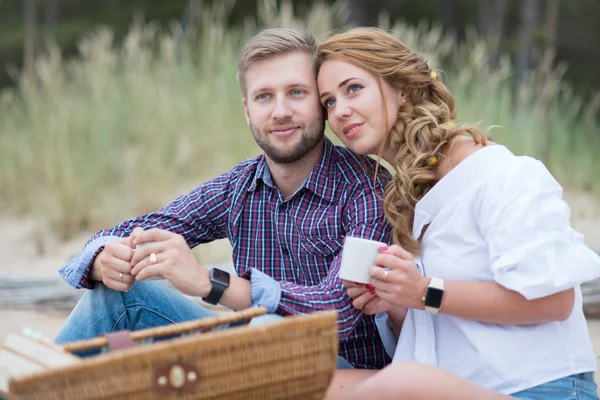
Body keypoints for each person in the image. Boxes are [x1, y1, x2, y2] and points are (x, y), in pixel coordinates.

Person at [55, 28, 393, 370]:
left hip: (339, 374)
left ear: (320, 102)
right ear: (247, 110)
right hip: (249, 358)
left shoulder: (367, 189)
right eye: (264, 97)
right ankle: (26, 386)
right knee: (119, 299)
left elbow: (337, 311)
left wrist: (209, 283)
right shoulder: (238, 188)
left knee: (268, 328)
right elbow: (129, 232)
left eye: (296, 92)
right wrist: (103, 260)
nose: (280, 111)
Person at [317, 27, 600, 399]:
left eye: (352, 89)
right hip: (459, 387)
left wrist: (421, 292)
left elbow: (555, 302)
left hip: (542, 389)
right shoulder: (409, 202)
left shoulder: (501, 174)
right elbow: (443, 338)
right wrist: (397, 302)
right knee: (309, 379)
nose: (340, 111)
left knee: (396, 384)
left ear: (401, 86)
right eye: (328, 102)